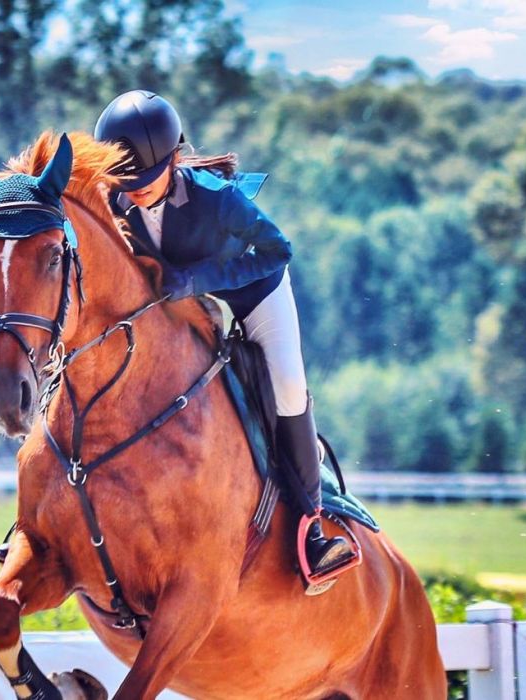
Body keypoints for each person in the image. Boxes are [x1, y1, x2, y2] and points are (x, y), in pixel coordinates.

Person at [94, 89, 354, 577]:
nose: (135, 192)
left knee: (289, 388)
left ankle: (312, 527)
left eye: (146, 181)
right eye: (126, 183)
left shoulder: (218, 199)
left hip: (255, 293)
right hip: (185, 302)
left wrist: (198, 279)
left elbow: (278, 250)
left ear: (174, 158)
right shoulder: (117, 197)